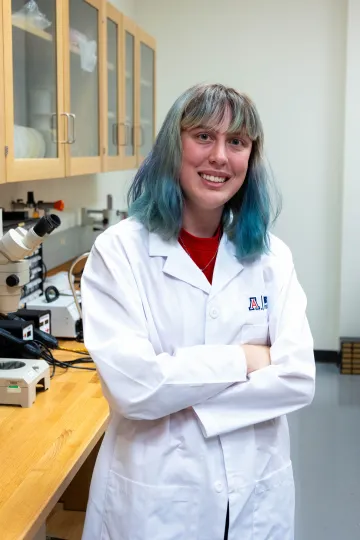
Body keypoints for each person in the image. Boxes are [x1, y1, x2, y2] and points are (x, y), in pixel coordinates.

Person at [80, 83, 316, 540]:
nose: (220, 157)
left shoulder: (272, 257)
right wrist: (246, 360)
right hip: (156, 499)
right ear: (175, 145)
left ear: (251, 158)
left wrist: (176, 390)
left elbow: (299, 377)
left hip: (253, 493)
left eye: (237, 142)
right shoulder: (120, 252)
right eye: (203, 136)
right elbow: (134, 388)